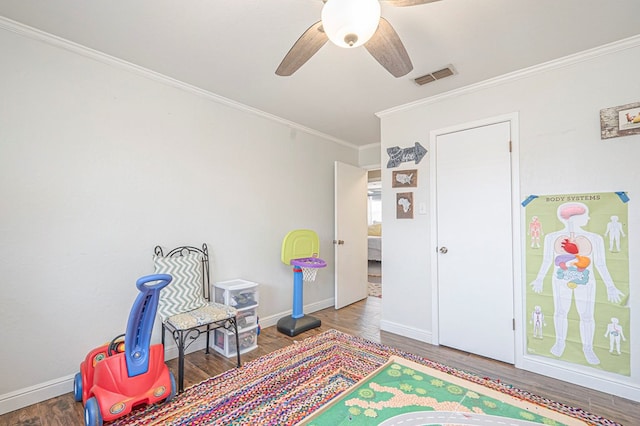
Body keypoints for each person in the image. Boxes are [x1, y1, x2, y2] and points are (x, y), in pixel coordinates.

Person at [530, 202, 624, 365]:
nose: (588, 217)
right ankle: (559, 343)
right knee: (560, 312)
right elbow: (546, 261)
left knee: (586, 315)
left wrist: (610, 286)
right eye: (585, 215)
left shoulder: (595, 239)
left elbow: (601, 264)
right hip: (560, 280)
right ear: (573, 219)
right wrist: (539, 279)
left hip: (585, 281)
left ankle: (588, 348)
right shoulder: (551, 238)